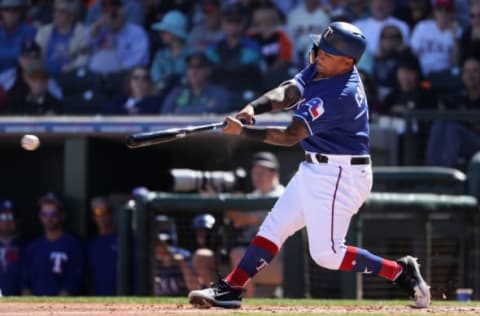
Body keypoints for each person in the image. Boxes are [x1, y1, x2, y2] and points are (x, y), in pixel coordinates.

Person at [187, 21, 431, 309]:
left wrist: (243, 132)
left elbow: (290, 136)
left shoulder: (339, 93)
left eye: (327, 53)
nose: (318, 56)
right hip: (317, 167)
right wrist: (255, 107)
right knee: (273, 228)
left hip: (341, 174)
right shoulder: (326, 65)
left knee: (326, 255)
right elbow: (289, 91)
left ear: (347, 61)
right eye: (321, 50)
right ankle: (231, 289)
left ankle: (400, 271)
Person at [225, 151, 285, 298]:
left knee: (239, 255)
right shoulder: (253, 195)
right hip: (261, 258)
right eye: (255, 173)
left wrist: (221, 202)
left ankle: (246, 307)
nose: (258, 177)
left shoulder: (282, 194)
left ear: (274, 174)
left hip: (283, 262)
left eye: (262, 172)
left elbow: (242, 219)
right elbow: (237, 223)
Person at [21, 193, 84, 296]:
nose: (48, 218)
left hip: (63, 307)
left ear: (62, 215)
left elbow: (73, 281)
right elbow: (24, 283)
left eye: (53, 214)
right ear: (40, 216)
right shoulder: (32, 247)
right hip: (34, 308)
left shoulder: (73, 245)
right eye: (44, 214)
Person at [425, 56, 480, 168]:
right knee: (440, 123)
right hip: (460, 141)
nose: (470, 76)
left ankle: (446, 176)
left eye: (475, 71)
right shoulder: (459, 97)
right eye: (467, 71)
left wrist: (470, 121)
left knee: (453, 128)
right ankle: (431, 172)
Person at [161, 50, 232, 114]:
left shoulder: (218, 92)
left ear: (208, 70)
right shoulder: (177, 92)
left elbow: (218, 108)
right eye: (190, 66)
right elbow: (165, 112)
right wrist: (204, 108)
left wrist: (180, 110)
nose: (194, 71)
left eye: (199, 67)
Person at [35, 0, 89, 76]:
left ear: (71, 15)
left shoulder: (82, 33)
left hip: (69, 76)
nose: (56, 14)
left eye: (61, 12)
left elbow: (83, 58)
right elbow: (36, 55)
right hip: (44, 77)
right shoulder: (44, 31)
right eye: (55, 11)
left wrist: (68, 69)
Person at [87, 196, 117, 296]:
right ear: (93, 217)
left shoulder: (125, 241)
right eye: (98, 212)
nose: (103, 216)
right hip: (99, 301)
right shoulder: (92, 245)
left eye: (106, 211)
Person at [0, 200, 23, 296]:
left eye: (11, 217)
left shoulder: (26, 246)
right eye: (3, 216)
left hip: (18, 300)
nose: (7, 221)